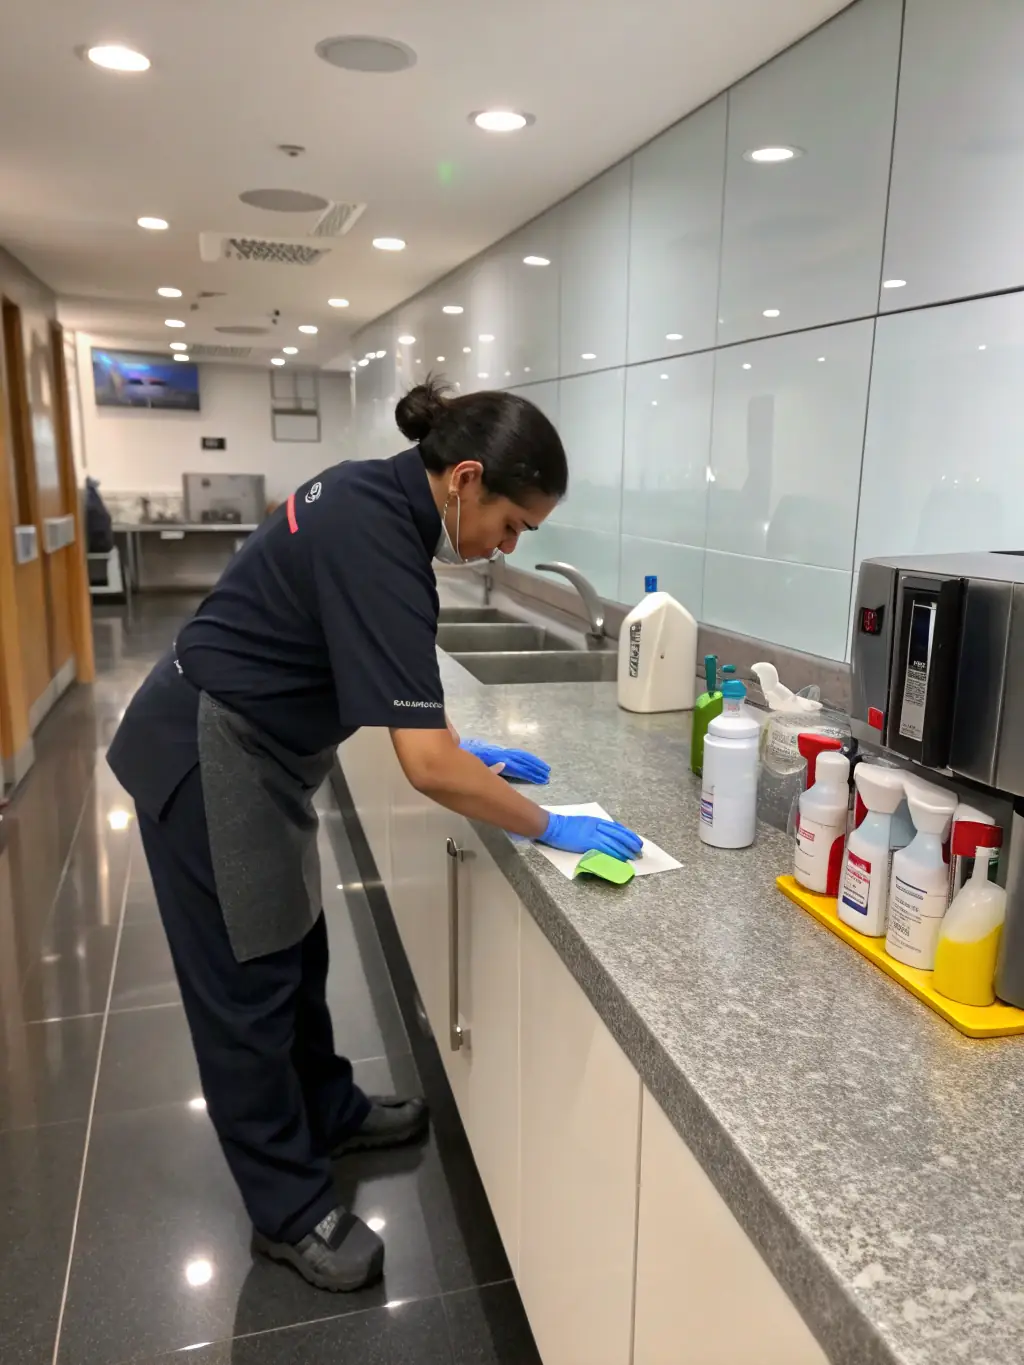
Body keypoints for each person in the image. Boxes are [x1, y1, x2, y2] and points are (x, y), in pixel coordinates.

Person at [106, 377, 641, 1294]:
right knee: (248, 986)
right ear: (466, 478)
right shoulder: (378, 536)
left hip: (260, 750)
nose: (507, 547)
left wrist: (462, 743)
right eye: (513, 525)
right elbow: (424, 766)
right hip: (210, 753)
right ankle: (287, 1207)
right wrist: (554, 824)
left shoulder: (371, 496)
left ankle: (330, 1106)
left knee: (295, 944)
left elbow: (361, 668)